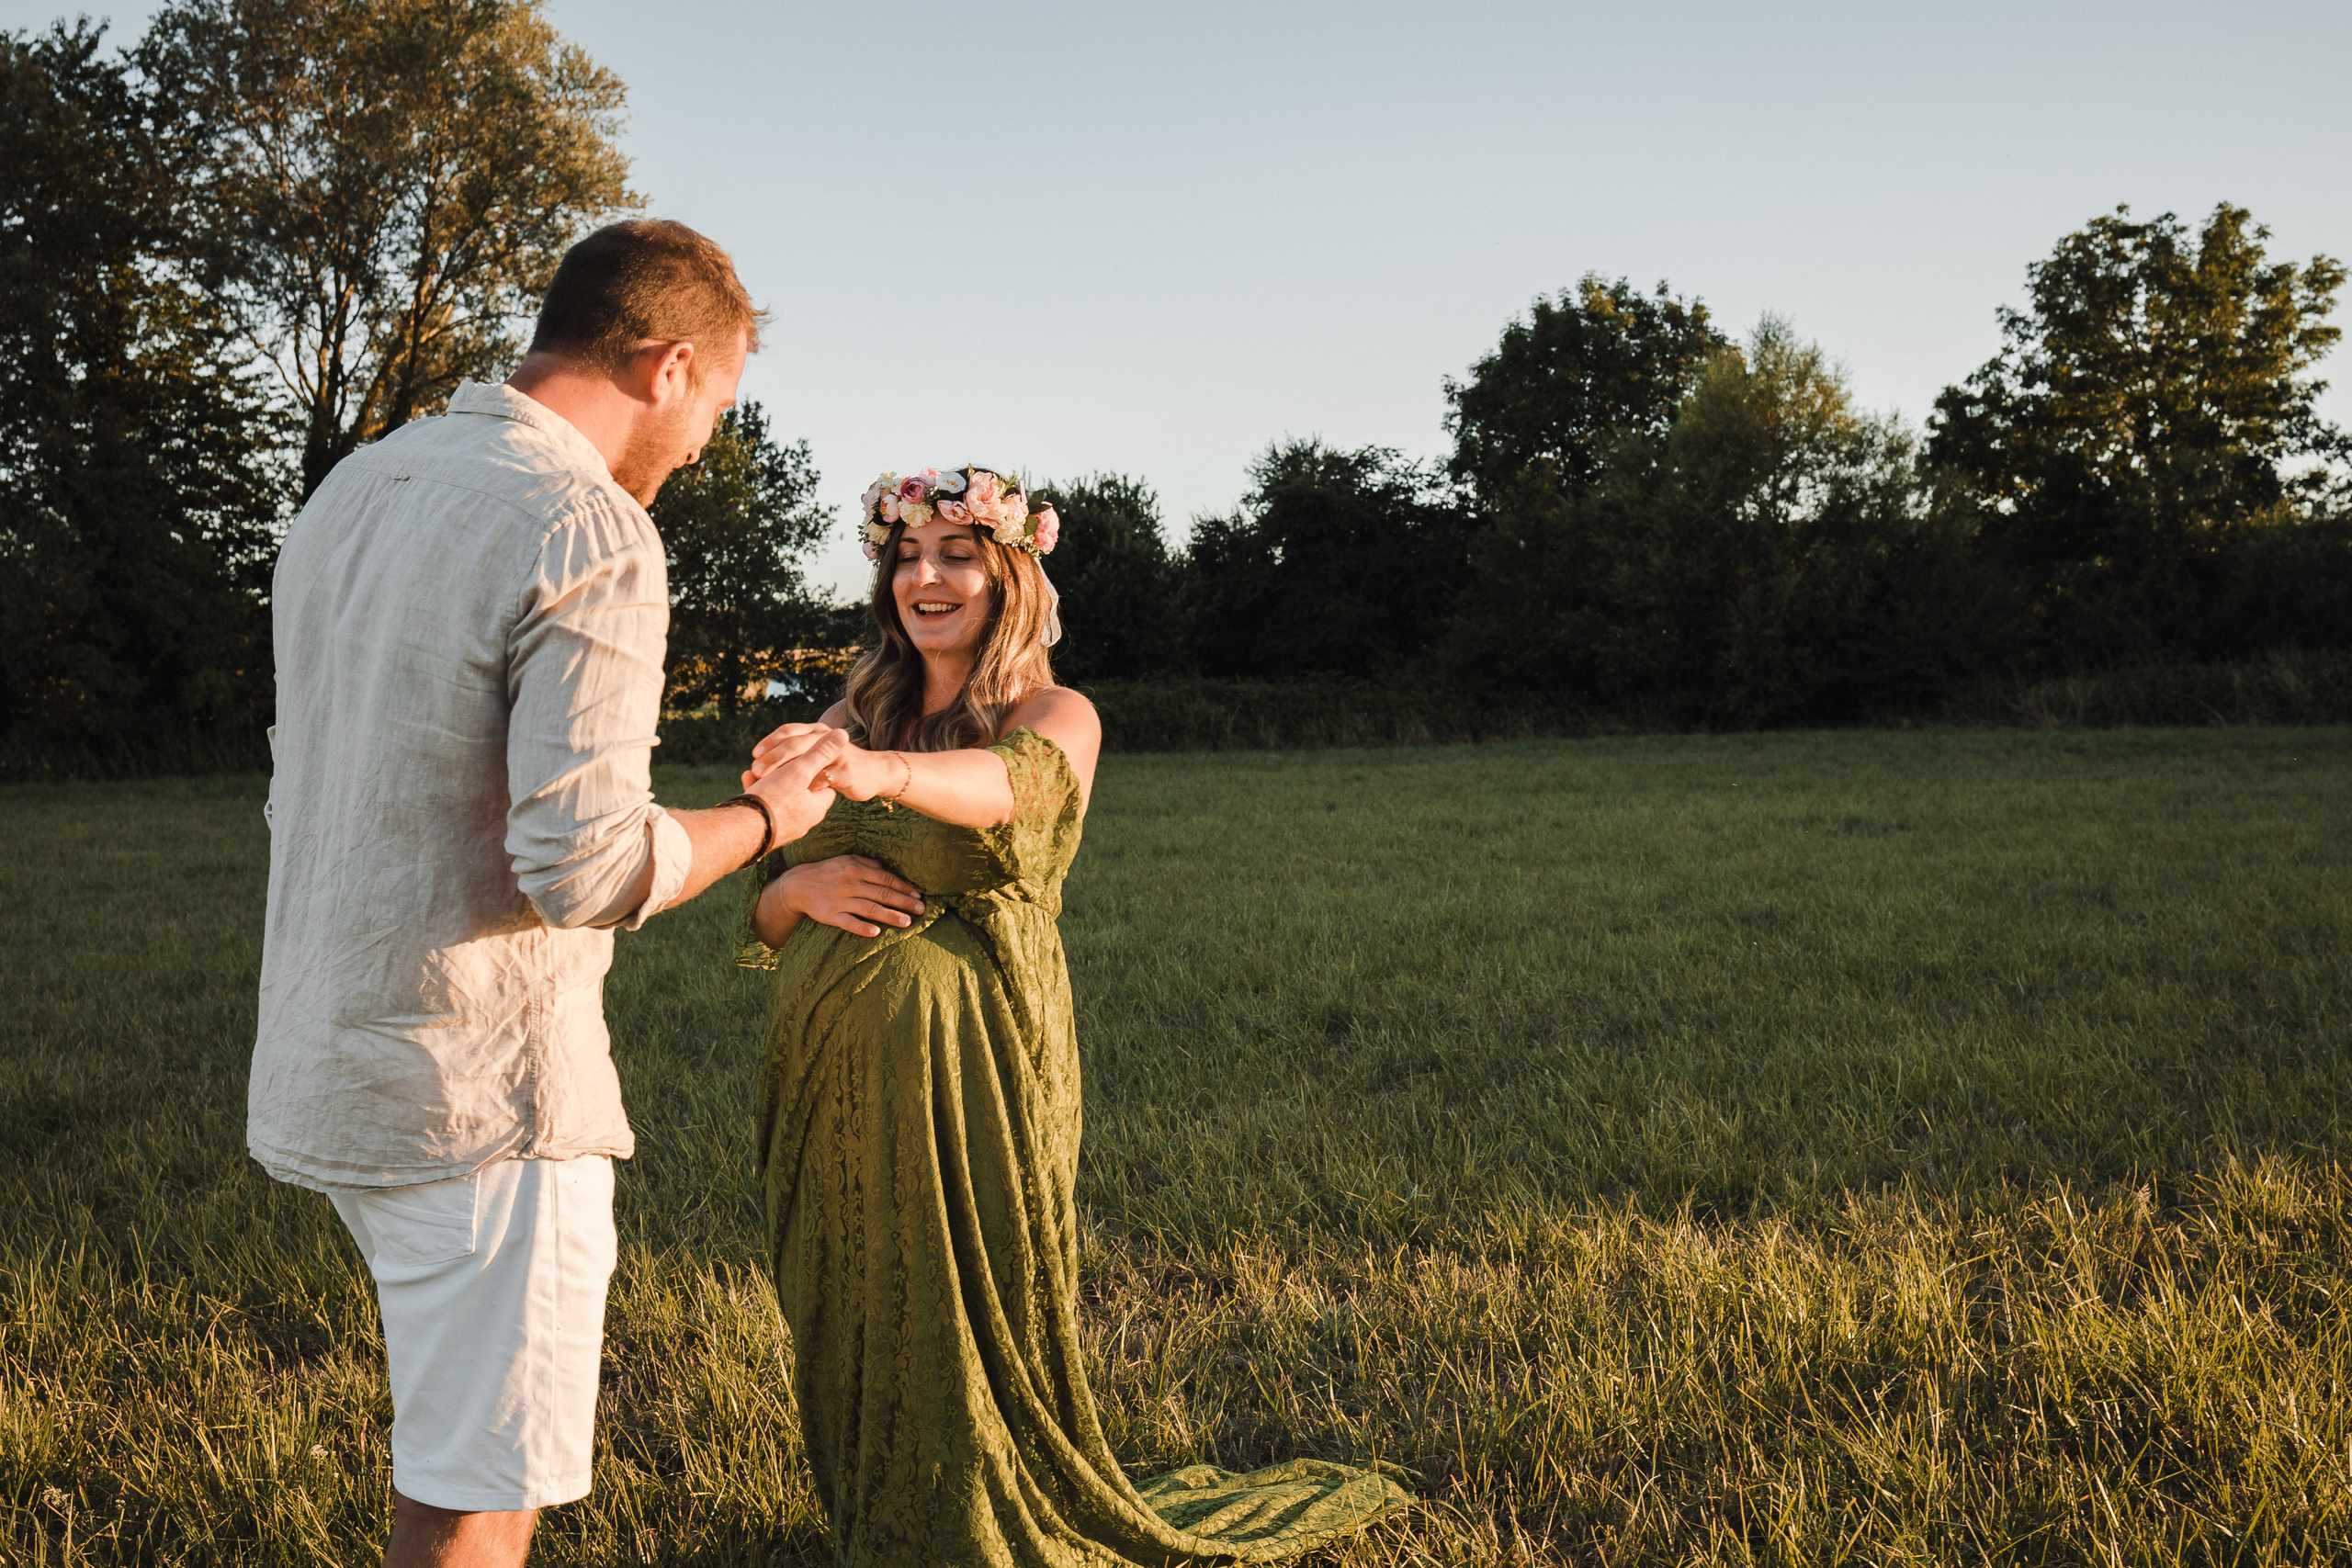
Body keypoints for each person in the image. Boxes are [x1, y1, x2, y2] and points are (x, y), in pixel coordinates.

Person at [249, 219, 845, 1568]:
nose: (701, 447)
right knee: (478, 1497)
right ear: (670, 363)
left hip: (327, 1050)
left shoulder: (357, 486)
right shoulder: (588, 524)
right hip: (481, 1095)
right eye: (718, 407)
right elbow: (581, 866)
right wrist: (767, 819)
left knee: (452, 1457)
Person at [735, 467, 1410, 1564]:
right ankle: (881, 1520)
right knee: (850, 1298)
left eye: (954, 555)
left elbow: (1007, 794)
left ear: (1007, 576)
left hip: (979, 1061)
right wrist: (787, 890)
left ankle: (975, 1520)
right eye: (906, 558)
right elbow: (765, 907)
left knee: (965, 1308)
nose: (925, 577)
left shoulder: (1053, 714)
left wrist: (872, 774)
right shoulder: (843, 719)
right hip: (826, 1072)